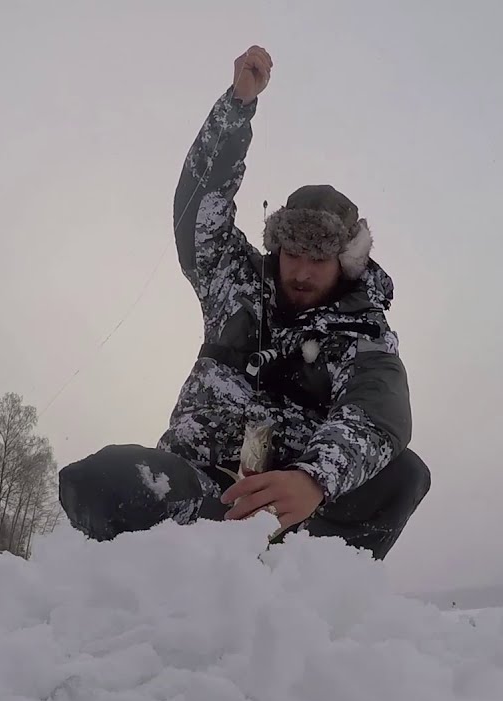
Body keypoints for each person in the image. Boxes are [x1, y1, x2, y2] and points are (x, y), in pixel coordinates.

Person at [58, 46, 430, 560]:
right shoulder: (235, 281)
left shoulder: (365, 330)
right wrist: (237, 106)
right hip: (198, 499)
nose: (300, 271)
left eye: (317, 259)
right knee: (100, 477)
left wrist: (313, 477)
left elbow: (377, 409)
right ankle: (134, 594)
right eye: (292, 253)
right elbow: (199, 206)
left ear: (345, 262)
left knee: (405, 474)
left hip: (296, 517)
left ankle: (305, 599)